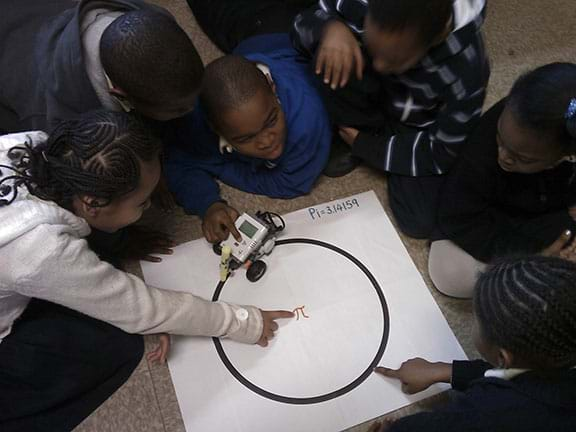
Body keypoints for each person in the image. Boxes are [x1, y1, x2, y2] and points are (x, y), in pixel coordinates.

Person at [0, 111, 293, 431]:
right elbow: (143, 310)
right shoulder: (41, 251)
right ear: (91, 203)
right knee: (117, 345)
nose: (149, 208)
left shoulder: (32, 144)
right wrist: (243, 322)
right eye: (141, 203)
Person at [291, 0, 490, 238]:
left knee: (420, 221)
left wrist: (369, 147)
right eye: (374, 50)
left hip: (416, 124)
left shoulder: (468, 69)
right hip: (367, 90)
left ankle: (371, 138)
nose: (380, 66)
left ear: (437, 38)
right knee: (329, 54)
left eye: (396, 60)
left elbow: (442, 152)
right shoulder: (361, 6)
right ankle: (361, 126)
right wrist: (330, 28)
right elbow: (299, 23)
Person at [370, 255, 576, 432]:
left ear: (502, 358)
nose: (472, 319)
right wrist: (445, 371)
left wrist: (394, 429)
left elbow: (443, 426)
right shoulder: (560, 350)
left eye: (476, 317)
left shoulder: (489, 411)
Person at [429, 62, 576, 298]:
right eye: (500, 138)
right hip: (489, 216)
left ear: (565, 153)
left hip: (547, 208)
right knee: (452, 275)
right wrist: (530, 258)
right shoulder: (481, 153)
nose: (503, 157)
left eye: (522, 158)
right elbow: (459, 218)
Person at [165, 39, 331, 243]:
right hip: (249, 46)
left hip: (284, 46)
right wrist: (208, 204)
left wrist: (218, 167)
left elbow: (290, 183)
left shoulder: (307, 119)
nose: (266, 141)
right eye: (246, 138)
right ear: (214, 128)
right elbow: (178, 163)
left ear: (272, 87)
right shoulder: (198, 119)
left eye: (271, 120)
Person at [0, 0, 203, 132]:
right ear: (119, 94)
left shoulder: (151, 16)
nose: (193, 108)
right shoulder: (55, 121)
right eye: (178, 109)